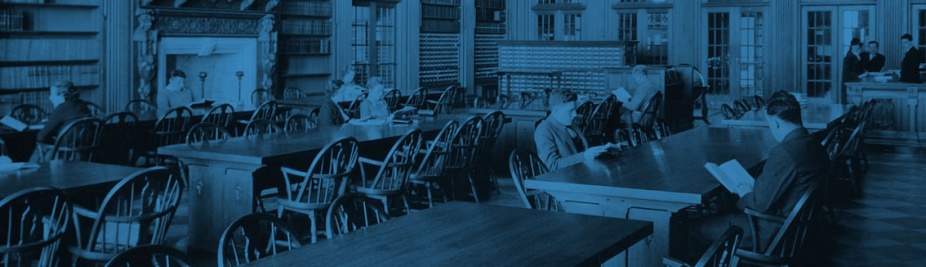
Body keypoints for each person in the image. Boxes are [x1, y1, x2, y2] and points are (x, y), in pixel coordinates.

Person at [693, 90, 828, 252]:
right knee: (724, 207)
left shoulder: (784, 152)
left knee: (697, 228)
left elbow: (759, 204)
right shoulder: (815, 144)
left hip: (770, 231)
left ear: (776, 123)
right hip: (799, 225)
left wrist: (745, 193)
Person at [534, 89, 618, 171]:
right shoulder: (544, 130)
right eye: (570, 111)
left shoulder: (571, 123)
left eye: (574, 109)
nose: (575, 114)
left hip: (581, 171)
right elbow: (553, 166)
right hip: (564, 177)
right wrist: (584, 156)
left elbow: (583, 149)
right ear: (556, 111)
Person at [32, 81, 92, 161]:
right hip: (84, 154)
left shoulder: (61, 109)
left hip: (64, 156)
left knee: (39, 146)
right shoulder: (82, 104)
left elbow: (40, 136)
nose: (50, 98)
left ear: (61, 95)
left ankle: (29, 168)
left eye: (52, 94)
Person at [618, 65, 659, 131]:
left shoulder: (643, 87)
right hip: (650, 116)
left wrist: (622, 102)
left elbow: (633, 107)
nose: (635, 81)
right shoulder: (653, 85)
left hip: (642, 118)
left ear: (639, 76)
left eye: (635, 78)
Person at [842, 38, 865, 103]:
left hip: (855, 80)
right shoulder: (850, 56)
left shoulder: (856, 54)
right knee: (852, 99)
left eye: (859, 45)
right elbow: (846, 71)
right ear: (852, 46)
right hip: (850, 81)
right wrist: (858, 76)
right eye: (856, 45)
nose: (858, 47)